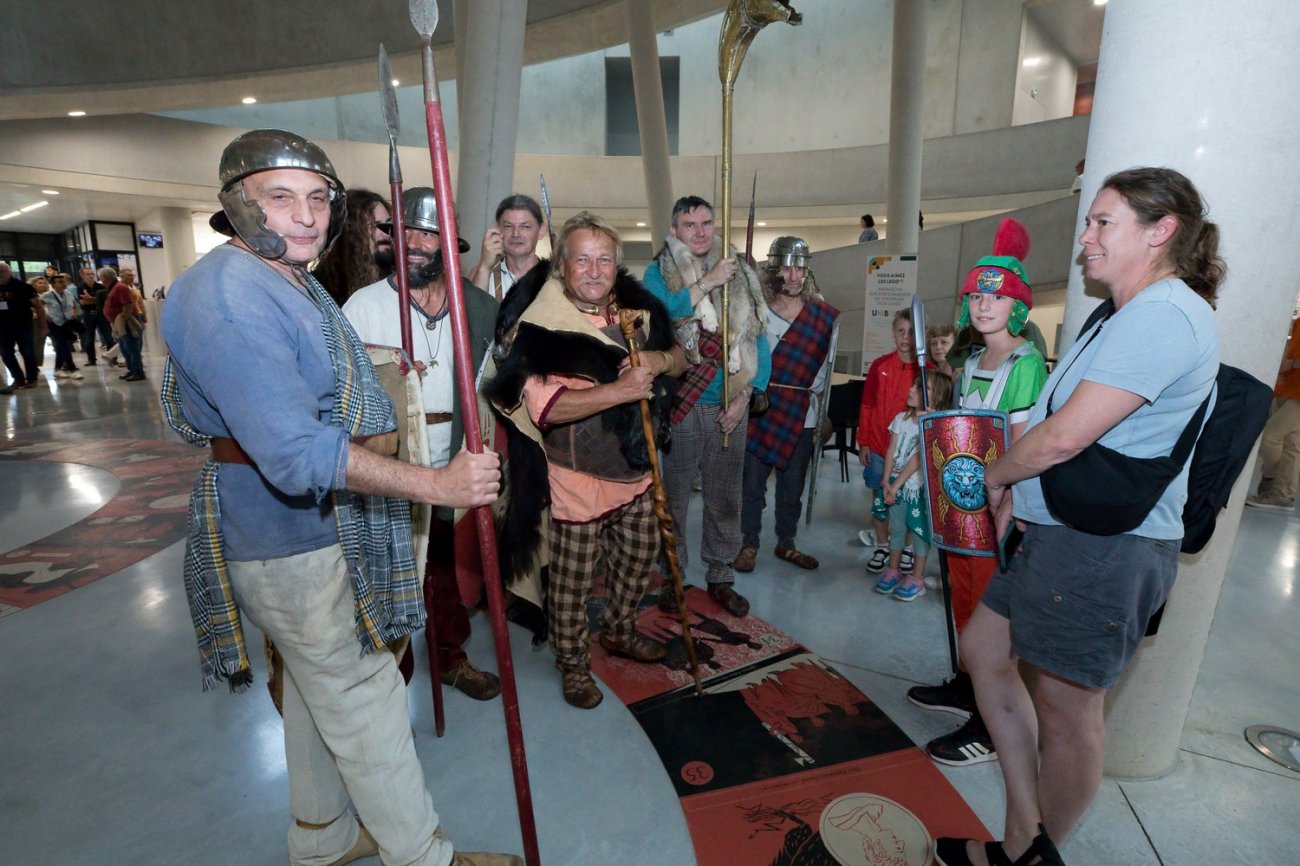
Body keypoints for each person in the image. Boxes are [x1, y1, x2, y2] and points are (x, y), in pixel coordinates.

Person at [161, 128, 520, 866]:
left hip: (310, 528)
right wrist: (437, 484)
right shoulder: (230, 294)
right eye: (280, 197)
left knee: (312, 689)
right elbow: (295, 453)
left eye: (318, 198)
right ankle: (423, 857)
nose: (305, 215)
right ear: (237, 204)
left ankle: (322, 839)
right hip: (286, 537)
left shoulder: (282, 279)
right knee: (366, 694)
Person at [935, 168, 1222, 866]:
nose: (1085, 237)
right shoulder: (1119, 313)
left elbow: (1064, 437)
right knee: (984, 653)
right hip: (1063, 532)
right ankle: (1026, 834)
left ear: (1160, 232)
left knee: (1069, 711)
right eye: (1089, 221)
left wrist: (996, 479)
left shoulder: (1165, 315)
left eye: (1102, 222)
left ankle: (1030, 852)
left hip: (1106, 546)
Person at [485, 211, 679, 708]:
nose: (594, 271)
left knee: (638, 561)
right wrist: (621, 390)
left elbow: (681, 357)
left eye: (604, 260)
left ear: (617, 265)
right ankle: (573, 664)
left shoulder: (637, 311)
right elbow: (547, 409)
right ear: (562, 266)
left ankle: (619, 629)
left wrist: (658, 359)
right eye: (583, 260)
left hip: (637, 473)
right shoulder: (540, 326)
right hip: (576, 480)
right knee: (572, 584)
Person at [343, 187, 503, 701]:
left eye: (426, 233)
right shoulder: (363, 307)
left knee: (447, 574)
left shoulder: (478, 308)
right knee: (387, 577)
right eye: (403, 231)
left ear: (449, 241)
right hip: (392, 465)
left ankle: (450, 658)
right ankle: (393, 679)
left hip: (456, 458)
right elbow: (342, 400)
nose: (412, 242)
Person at [909, 218, 1048, 769]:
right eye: (977, 295)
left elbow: (1023, 447)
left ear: (1016, 305)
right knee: (965, 604)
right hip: (962, 509)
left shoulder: (1025, 364)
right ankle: (968, 688)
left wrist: (1003, 503)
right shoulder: (969, 364)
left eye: (997, 296)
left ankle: (991, 726)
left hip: (1000, 511)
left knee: (992, 622)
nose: (985, 304)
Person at [642, 195, 771, 618]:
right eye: (689, 224)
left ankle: (721, 575)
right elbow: (658, 315)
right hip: (683, 399)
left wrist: (747, 395)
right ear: (674, 230)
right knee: (674, 497)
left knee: (725, 495)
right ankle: (672, 575)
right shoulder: (659, 270)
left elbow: (758, 334)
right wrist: (708, 282)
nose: (699, 232)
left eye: (706, 223)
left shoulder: (739, 269)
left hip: (731, 400)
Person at [736, 236, 838, 573]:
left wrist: (822, 412)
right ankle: (748, 542)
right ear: (773, 269)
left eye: (800, 268)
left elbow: (825, 368)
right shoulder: (758, 311)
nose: (793, 276)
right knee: (751, 484)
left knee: (792, 486)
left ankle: (786, 542)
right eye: (786, 267)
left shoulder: (821, 316)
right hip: (761, 405)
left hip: (802, 410)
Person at [872, 373, 952, 601]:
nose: (911, 390)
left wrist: (895, 485)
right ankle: (893, 570)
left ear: (937, 396)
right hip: (894, 485)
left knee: (919, 533)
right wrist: (886, 480)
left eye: (921, 387)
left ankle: (917, 578)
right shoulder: (901, 419)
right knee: (897, 529)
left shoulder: (934, 425)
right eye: (914, 385)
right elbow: (891, 450)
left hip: (917, 489)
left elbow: (917, 459)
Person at [856, 310, 920, 575]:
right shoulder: (879, 365)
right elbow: (867, 405)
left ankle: (907, 548)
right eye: (900, 331)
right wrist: (863, 441)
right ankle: (882, 546)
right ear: (893, 332)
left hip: (911, 452)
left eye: (911, 332)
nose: (905, 337)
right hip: (879, 447)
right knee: (880, 500)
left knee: (910, 501)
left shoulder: (925, 370)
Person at [1245, 315, 1300, 511]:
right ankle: (1282, 493)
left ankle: (1272, 479)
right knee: (1291, 445)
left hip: (1295, 392)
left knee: (1270, 436)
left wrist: (1289, 365)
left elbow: (1292, 360)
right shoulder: (1298, 322)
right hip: (1287, 387)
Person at [314, 188, 395, 306]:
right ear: (351, 233)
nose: (385, 233)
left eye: (387, 224)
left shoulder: (397, 278)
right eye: (374, 225)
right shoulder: (321, 287)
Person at [468, 193, 546, 300]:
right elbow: (474, 309)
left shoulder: (552, 277)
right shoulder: (482, 274)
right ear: (497, 228)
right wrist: (484, 267)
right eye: (508, 226)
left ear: (541, 231)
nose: (516, 234)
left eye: (525, 227)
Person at [0, 263, 44, 393]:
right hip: (3, 327)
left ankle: (32, 378)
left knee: (27, 352)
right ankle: (18, 378)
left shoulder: (23, 287)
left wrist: (43, 325)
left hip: (23, 325)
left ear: (9, 272)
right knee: (6, 353)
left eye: (2, 271)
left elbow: (38, 306)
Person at [102, 269, 145, 381]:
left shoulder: (120, 287)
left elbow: (128, 304)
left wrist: (124, 319)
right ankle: (132, 370)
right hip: (119, 323)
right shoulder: (114, 288)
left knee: (131, 347)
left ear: (105, 278)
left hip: (126, 322)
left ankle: (138, 372)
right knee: (124, 348)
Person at [41, 273, 83, 380]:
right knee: (64, 346)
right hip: (53, 324)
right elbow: (36, 307)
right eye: (59, 282)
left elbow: (74, 305)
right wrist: (45, 315)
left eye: (63, 281)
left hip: (65, 323)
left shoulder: (68, 293)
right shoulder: (47, 295)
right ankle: (73, 369)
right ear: (52, 284)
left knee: (61, 347)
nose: (63, 284)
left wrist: (74, 313)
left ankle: (57, 369)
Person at [74, 267, 102, 366]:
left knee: (108, 336)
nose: (91, 276)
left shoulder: (100, 286)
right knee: (89, 337)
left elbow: (104, 301)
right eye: (88, 274)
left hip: (101, 313)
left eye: (92, 274)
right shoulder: (80, 287)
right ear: (82, 275)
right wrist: (96, 300)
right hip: (88, 314)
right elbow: (83, 302)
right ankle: (91, 359)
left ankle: (113, 357)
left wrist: (90, 298)